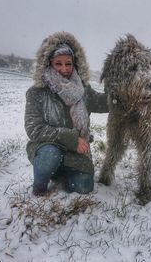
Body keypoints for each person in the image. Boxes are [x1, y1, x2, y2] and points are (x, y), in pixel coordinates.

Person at [25, 31, 108, 196]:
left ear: (75, 64)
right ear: (48, 64)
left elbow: (104, 102)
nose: (64, 69)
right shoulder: (37, 92)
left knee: (84, 187)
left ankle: (63, 172)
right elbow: (34, 128)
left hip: (76, 152)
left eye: (68, 63)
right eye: (58, 63)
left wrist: (121, 93)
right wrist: (70, 139)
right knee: (50, 156)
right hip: (47, 146)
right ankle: (40, 187)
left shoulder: (84, 91)